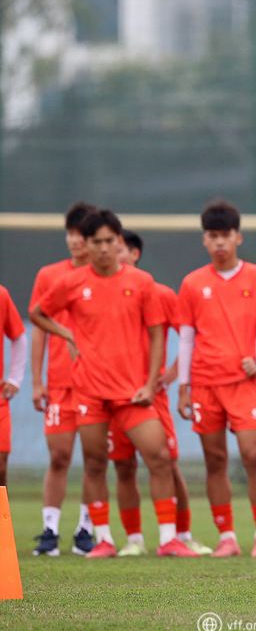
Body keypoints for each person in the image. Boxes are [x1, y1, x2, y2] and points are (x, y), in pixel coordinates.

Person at [32, 209, 197, 558]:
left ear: (120, 242)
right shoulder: (72, 283)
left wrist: (151, 383)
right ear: (86, 246)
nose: (104, 248)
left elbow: (156, 336)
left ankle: (168, 539)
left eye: (110, 241)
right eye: (97, 242)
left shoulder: (142, 283)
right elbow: (37, 313)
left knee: (160, 457)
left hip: (133, 393)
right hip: (89, 393)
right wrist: (68, 335)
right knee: (94, 464)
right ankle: (105, 539)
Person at [177, 200, 256, 558]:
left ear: (238, 237)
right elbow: (187, 337)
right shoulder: (192, 283)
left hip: (242, 384)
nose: (220, 242)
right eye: (212, 236)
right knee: (214, 459)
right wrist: (183, 387)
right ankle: (226, 536)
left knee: (253, 455)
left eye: (225, 235)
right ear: (204, 240)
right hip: (205, 385)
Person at [107, 230, 211, 556]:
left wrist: (171, 375)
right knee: (122, 467)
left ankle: (180, 534)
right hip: (110, 396)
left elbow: (190, 337)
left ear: (134, 253)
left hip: (151, 397)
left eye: (117, 247)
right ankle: (134, 539)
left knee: (167, 464)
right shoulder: (100, 291)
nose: (110, 253)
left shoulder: (160, 293)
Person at [29, 201, 98, 556]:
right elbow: (38, 329)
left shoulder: (105, 278)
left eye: (80, 235)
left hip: (94, 385)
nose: (74, 241)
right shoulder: (49, 276)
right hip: (58, 382)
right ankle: (50, 529)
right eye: (69, 233)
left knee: (92, 457)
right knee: (59, 456)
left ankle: (86, 529)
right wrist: (37, 381)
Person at [0, 283, 27, 487]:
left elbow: (18, 336)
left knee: (0, 467)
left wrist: (15, 378)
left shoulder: (1, 295)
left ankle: (3, 520)